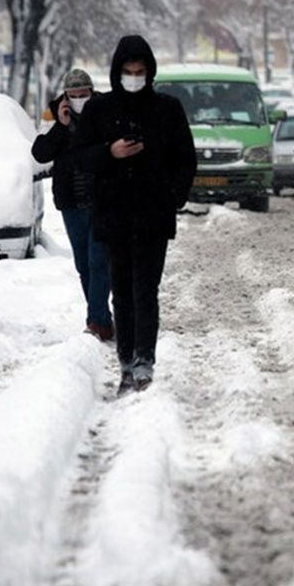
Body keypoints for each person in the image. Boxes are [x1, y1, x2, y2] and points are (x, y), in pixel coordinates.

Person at [73, 35, 196, 393]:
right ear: (116, 72)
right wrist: (110, 152)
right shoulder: (99, 110)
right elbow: (80, 157)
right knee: (122, 292)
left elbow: (185, 159)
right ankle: (126, 360)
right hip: (113, 214)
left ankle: (145, 360)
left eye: (140, 71)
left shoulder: (167, 109)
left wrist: (174, 195)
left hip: (153, 215)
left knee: (147, 290)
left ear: (149, 72)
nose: (134, 77)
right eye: (127, 71)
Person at [31, 68, 114, 342]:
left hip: (102, 199)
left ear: (92, 92)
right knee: (84, 264)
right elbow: (40, 152)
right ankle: (102, 317)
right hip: (71, 202)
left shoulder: (106, 110)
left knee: (98, 260)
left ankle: (96, 321)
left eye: (84, 94)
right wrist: (61, 125)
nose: (79, 99)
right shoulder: (53, 114)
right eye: (74, 95)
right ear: (65, 96)